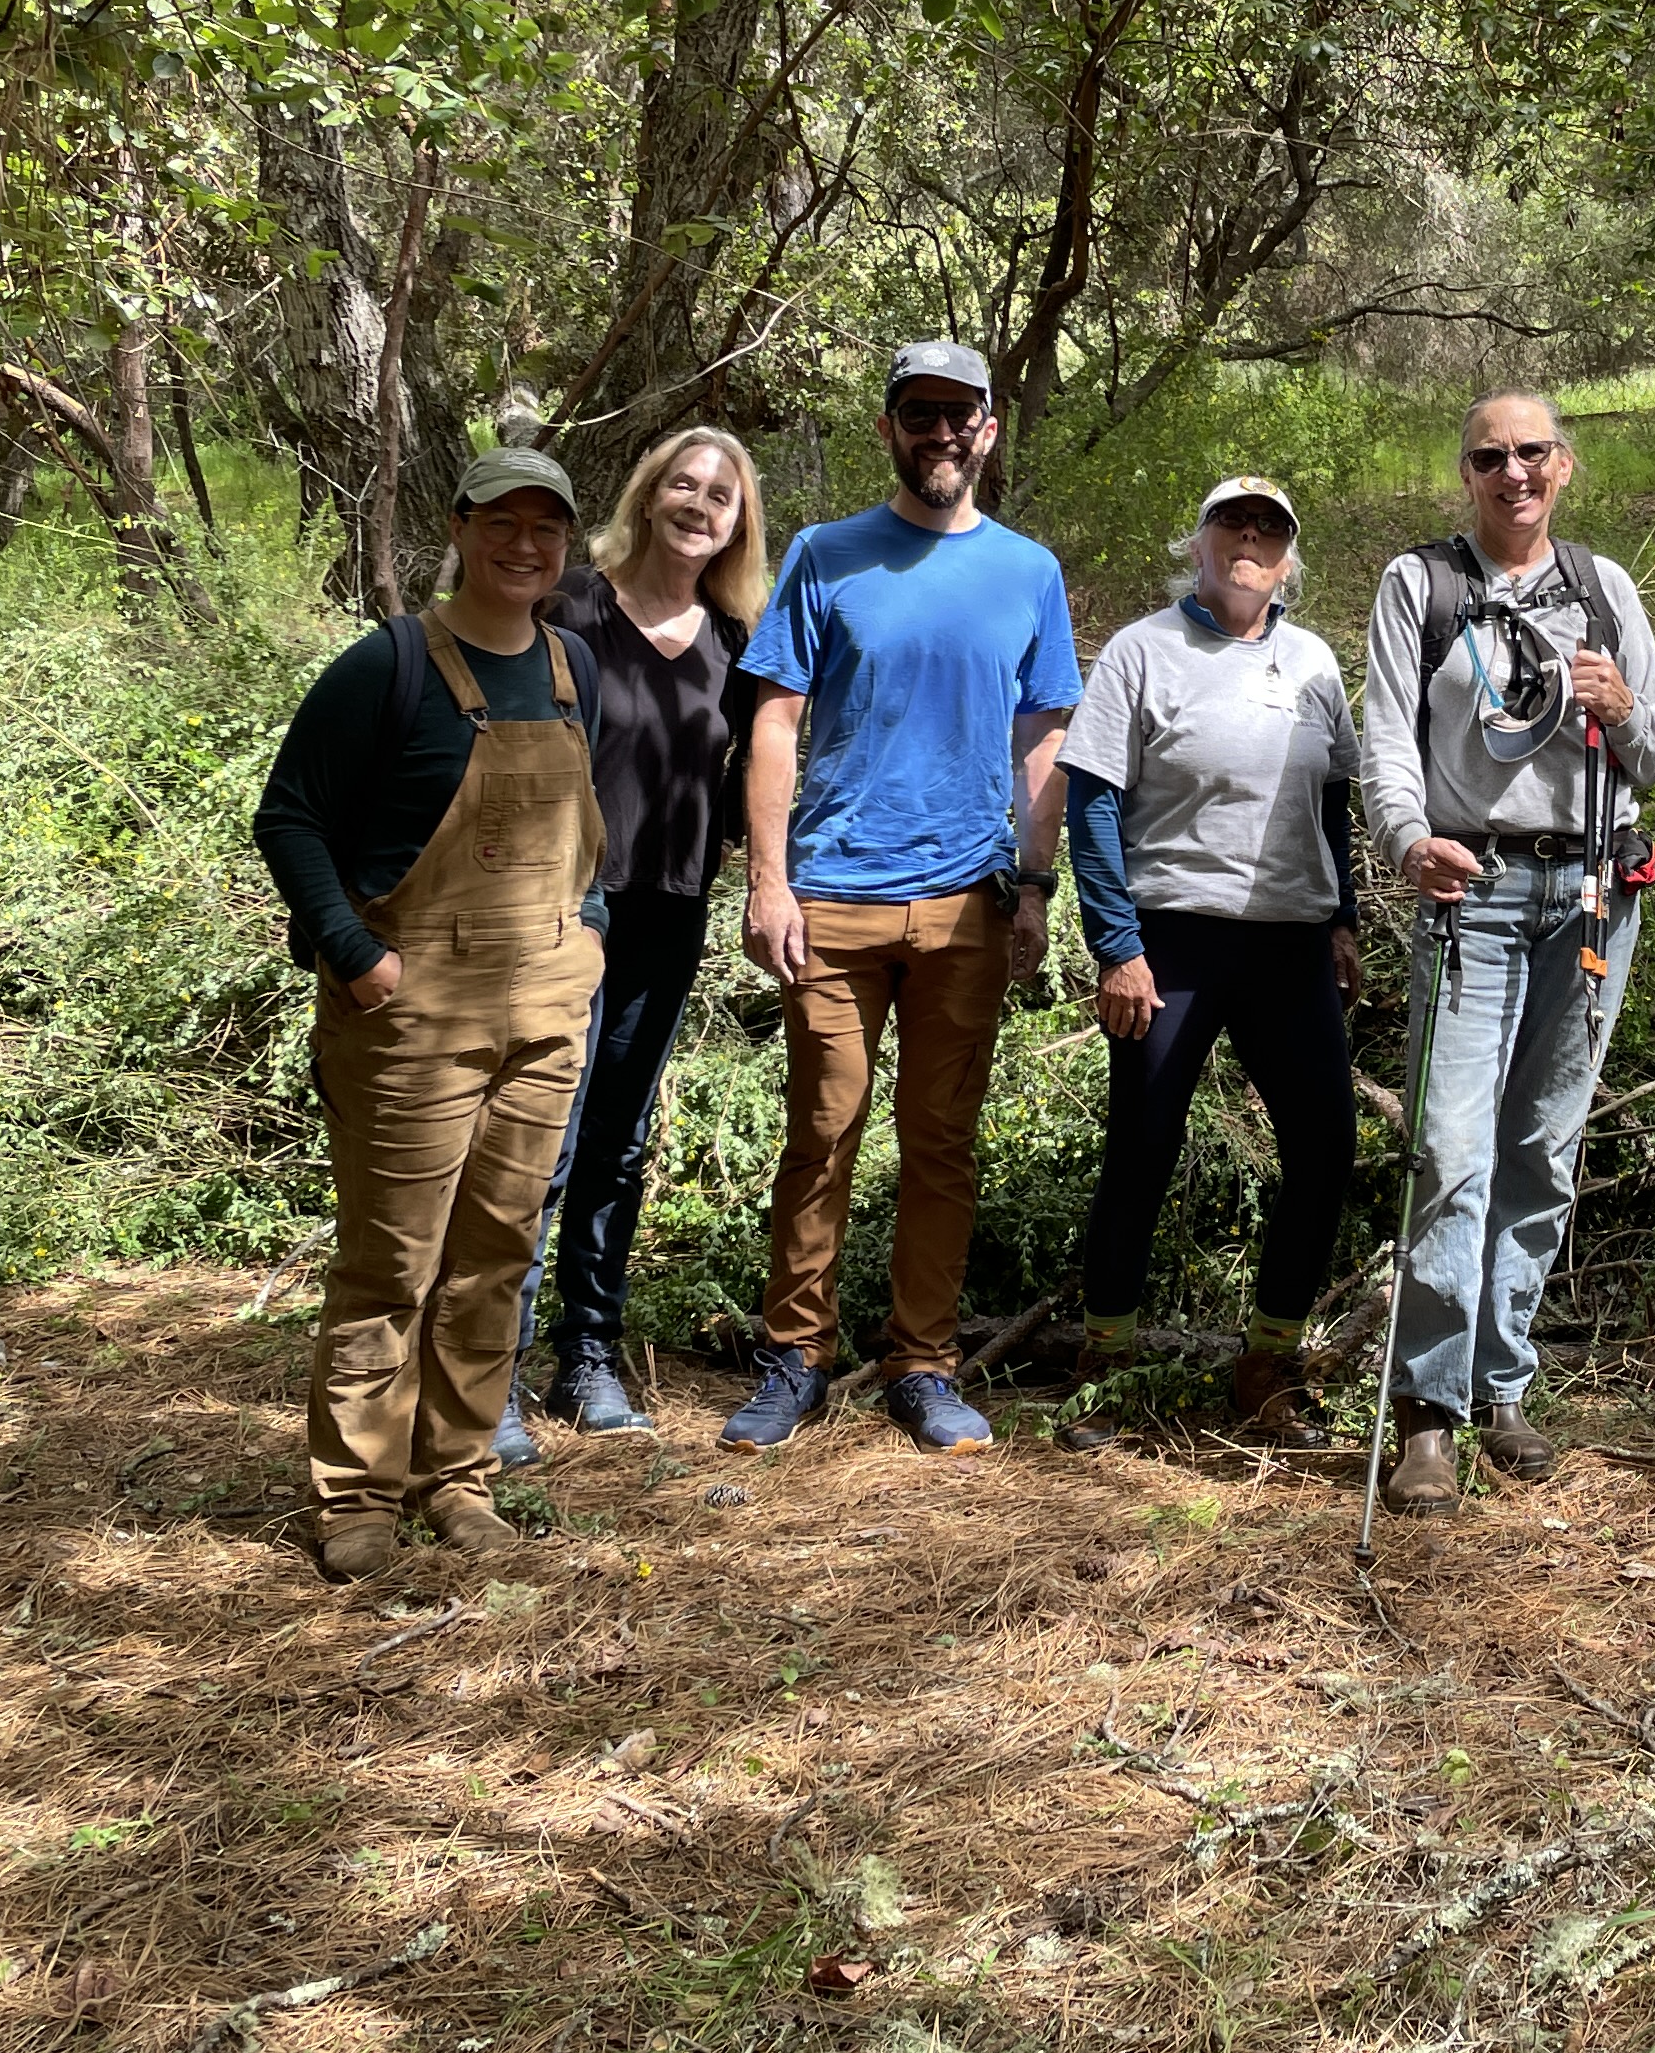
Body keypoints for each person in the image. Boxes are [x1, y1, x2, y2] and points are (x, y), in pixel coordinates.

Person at [717, 341, 1079, 1457]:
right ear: (889, 428)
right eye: (918, 413)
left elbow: (1043, 739)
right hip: (832, 899)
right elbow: (773, 722)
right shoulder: (828, 557)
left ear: (987, 430)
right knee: (822, 1128)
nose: (940, 432)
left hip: (967, 903)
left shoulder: (1028, 571)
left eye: (958, 415)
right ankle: (797, 1356)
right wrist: (767, 881)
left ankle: (922, 1363)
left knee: (941, 1142)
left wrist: (1033, 890)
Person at [252, 448, 608, 1584]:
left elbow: (591, 834)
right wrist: (354, 957)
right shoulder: (390, 664)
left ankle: (457, 1481)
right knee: (391, 1264)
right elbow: (290, 817)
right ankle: (354, 1497)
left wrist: (589, 933)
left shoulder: (571, 668)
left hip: (547, 1001)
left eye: (545, 529)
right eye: (502, 523)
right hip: (414, 1011)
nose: (525, 546)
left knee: (496, 1253)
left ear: (566, 545)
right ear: (457, 529)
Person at [1356, 392, 1655, 1515]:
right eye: (1490, 457)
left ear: (1565, 465)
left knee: (1543, 1145)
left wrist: (1623, 702)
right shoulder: (1421, 586)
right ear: (1468, 474)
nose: (1513, 473)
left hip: (1588, 890)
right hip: (1470, 887)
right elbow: (1385, 739)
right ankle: (1429, 1413)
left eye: (1532, 453)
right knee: (1450, 1147)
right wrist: (1406, 841)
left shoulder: (1603, 587)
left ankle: (1503, 1387)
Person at [1056, 475, 1363, 1449]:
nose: (1248, 540)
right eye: (1231, 523)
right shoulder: (1144, 652)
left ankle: (1266, 1365)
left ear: (1288, 557)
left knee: (1326, 1146)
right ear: (1197, 543)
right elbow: (1093, 801)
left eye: (1268, 530)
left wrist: (1344, 918)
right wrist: (1117, 946)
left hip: (1289, 941)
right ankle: (1103, 1367)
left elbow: (1333, 802)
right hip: (1172, 938)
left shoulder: (1313, 660)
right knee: (1143, 1145)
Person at [488, 426, 768, 1465]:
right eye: (683, 486)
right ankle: (492, 1371)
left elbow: (749, 779)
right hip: (561, 913)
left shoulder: (736, 641)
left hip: (668, 915)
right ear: (650, 496)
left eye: (721, 497)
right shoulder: (571, 610)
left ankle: (588, 1357)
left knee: (621, 1140)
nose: (699, 505)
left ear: (738, 524)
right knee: (539, 1143)